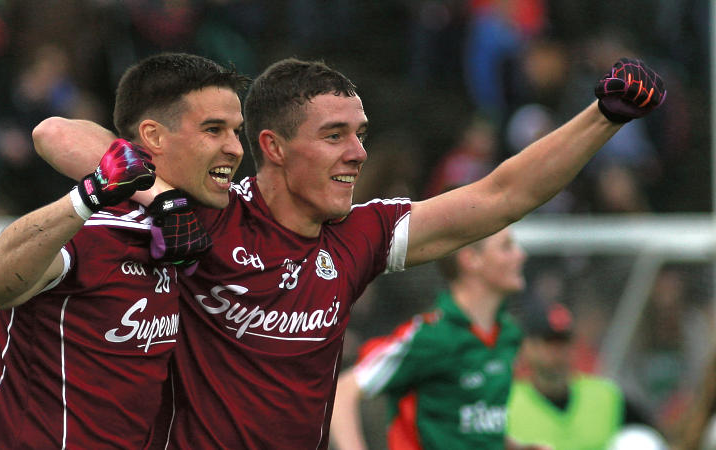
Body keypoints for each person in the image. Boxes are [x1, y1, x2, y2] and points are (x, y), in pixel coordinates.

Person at [33, 56, 666, 448]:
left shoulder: (362, 234)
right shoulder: (214, 211)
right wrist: (159, 193)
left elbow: (500, 196)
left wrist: (601, 118)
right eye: (334, 136)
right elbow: (56, 131)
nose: (358, 154)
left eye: (359, 135)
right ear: (274, 147)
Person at [0, 53, 247, 449]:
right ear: (152, 136)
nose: (235, 148)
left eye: (237, 131)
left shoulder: (199, 222)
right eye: (214, 129)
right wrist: (152, 197)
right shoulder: (98, 227)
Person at [330, 227, 550, 449]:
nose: (521, 255)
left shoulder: (508, 334)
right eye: (506, 247)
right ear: (471, 259)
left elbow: (470, 427)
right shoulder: (431, 336)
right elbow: (342, 393)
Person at [507, 301, 662, 450]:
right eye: (550, 343)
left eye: (564, 342)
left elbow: (650, 437)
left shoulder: (605, 396)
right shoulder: (506, 403)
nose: (558, 353)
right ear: (527, 347)